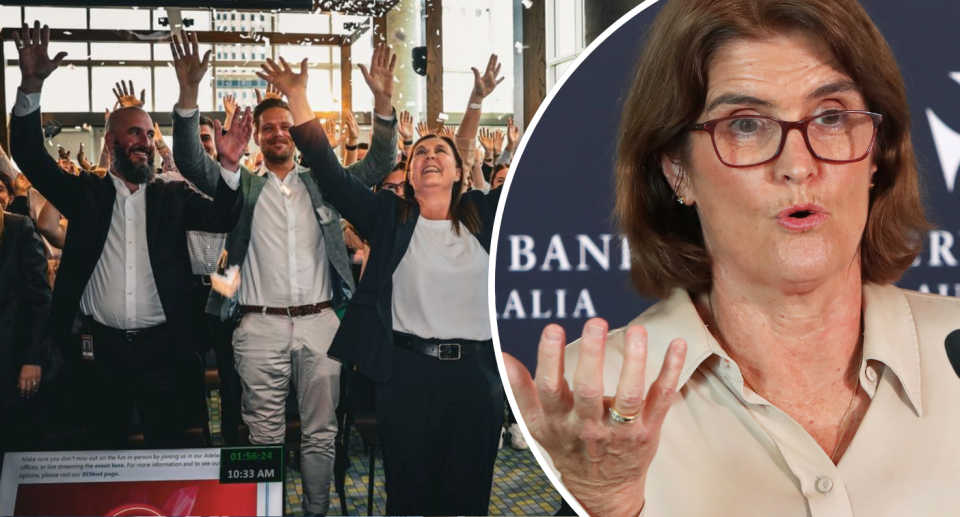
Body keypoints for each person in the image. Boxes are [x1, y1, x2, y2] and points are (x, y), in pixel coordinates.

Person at [502, 0, 960, 515]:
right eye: (745, 125)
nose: (797, 165)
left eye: (830, 116)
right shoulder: (581, 416)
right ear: (678, 171)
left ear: (878, 150)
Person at [258, 49, 506, 515]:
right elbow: (330, 175)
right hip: (408, 374)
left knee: (468, 496)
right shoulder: (389, 218)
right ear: (409, 174)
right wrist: (297, 98)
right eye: (420, 153)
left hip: (475, 378)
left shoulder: (483, 217)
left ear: (458, 172)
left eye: (440, 153)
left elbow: (471, 152)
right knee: (409, 495)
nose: (429, 156)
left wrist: (476, 101)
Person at [170, 32, 397, 516]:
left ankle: (316, 511)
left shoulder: (324, 184)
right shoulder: (241, 186)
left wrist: (383, 102)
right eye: (269, 127)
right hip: (258, 325)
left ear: (299, 133)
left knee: (322, 434)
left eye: (286, 127)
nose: (278, 133)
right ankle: (265, 511)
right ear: (256, 135)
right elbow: (190, 160)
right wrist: (188, 96)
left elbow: (380, 162)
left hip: (321, 323)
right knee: (263, 434)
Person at [10, 22, 246, 449]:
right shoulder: (86, 193)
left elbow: (224, 217)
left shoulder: (172, 196)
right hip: (100, 352)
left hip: (165, 351)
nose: (145, 140)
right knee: (104, 448)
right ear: (113, 140)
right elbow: (28, 155)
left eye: (149, 133)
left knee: (168, 450)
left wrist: (229, 168)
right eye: (134, 131)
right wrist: (30, 86)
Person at [0, 199, 53, 459]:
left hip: (13, 359)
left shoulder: (17, 227)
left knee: (17, 448)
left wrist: (33, 358)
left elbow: (40, 299)